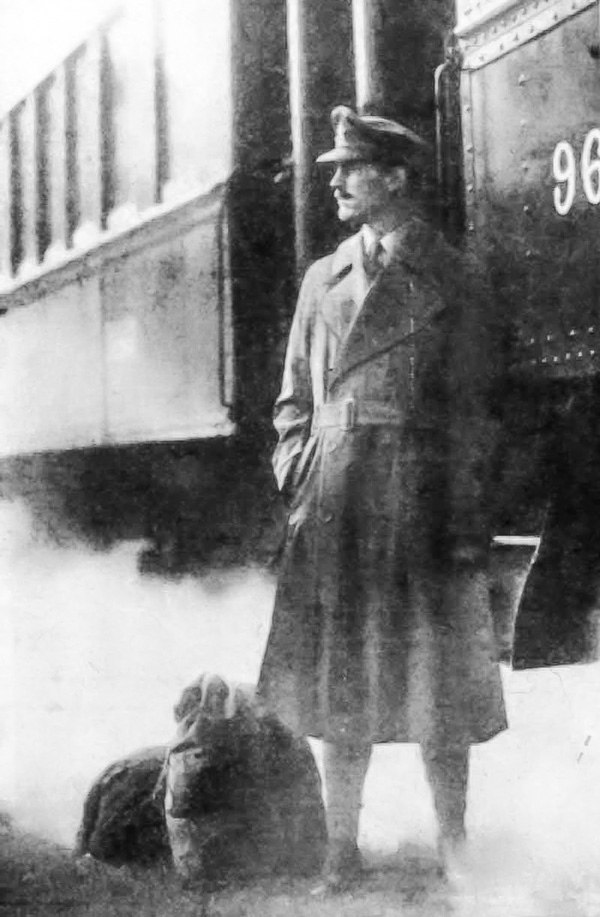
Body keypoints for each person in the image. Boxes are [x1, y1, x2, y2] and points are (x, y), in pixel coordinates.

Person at [256, 105, 507, 893]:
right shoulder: (321, 277)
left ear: (395, 177)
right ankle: (341, 846)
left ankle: (455, 842)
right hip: (337, 501)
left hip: (420, 498)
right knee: (340, 682)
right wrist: (299, 471)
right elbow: (291, 399)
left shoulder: (453, 275)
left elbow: (480, 407)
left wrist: (462, 501)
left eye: (349, 167)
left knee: (436, 685)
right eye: (331, 167)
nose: (332, 179)